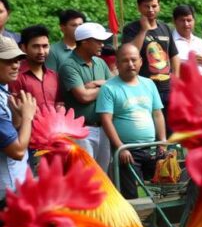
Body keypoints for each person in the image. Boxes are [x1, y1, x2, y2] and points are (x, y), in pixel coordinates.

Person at [96, 44, 167, 199]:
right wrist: (120, 147)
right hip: (128, 151)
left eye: (134, 60)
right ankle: (136, 222)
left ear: (141, 61)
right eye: (125, 60)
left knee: (162, 190)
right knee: (133, 195)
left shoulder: (148, 84)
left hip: (153, 148)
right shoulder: (109, 88)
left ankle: (157, 222)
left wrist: (162, 141)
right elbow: (106, 120)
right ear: (117, 63)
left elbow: (157, 114)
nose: (130, 64)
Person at [58, 22, 114, 170]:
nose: (102, 44)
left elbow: (114, 87)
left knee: (103, 178)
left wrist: (96, 84)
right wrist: (105, 86)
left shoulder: (100, 62)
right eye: (98, 41)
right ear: (84, 42)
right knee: (86, 176)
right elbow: (83, 97)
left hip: (104, 127)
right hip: (82, 131)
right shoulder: (69, 65)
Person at [121, 0, 179, 110]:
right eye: (146, 6)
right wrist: (143, 31)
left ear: (159, 6)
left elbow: (174, 55)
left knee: (169, 125)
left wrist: (176, 78)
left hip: (166, 87)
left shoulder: (165, 28)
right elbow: (129, 53)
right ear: (139, 7)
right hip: (143, 87)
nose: (151, 10)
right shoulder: (131, 29)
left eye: (154, 6)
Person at [0, 37, 35, 191]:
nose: (16, 66)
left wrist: (18, 116)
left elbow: (7, 134)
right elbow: (18, 151)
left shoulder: (4, 87)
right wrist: (28, 116)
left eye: (18, 60)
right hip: (6, 190)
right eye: (9, 61)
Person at [11, 25, 61, 108]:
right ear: (23, 47)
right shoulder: (16, 76)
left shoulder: (54, 76)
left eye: (45, 46)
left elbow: (59, 103)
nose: (41, 52)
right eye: (35, 46)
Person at [172, 5, 202, 72]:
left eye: (189, 20)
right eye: (182, 20)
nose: (186, 24)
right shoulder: (169, 42)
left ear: (194, 21)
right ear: (174, 21)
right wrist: (188, 63)